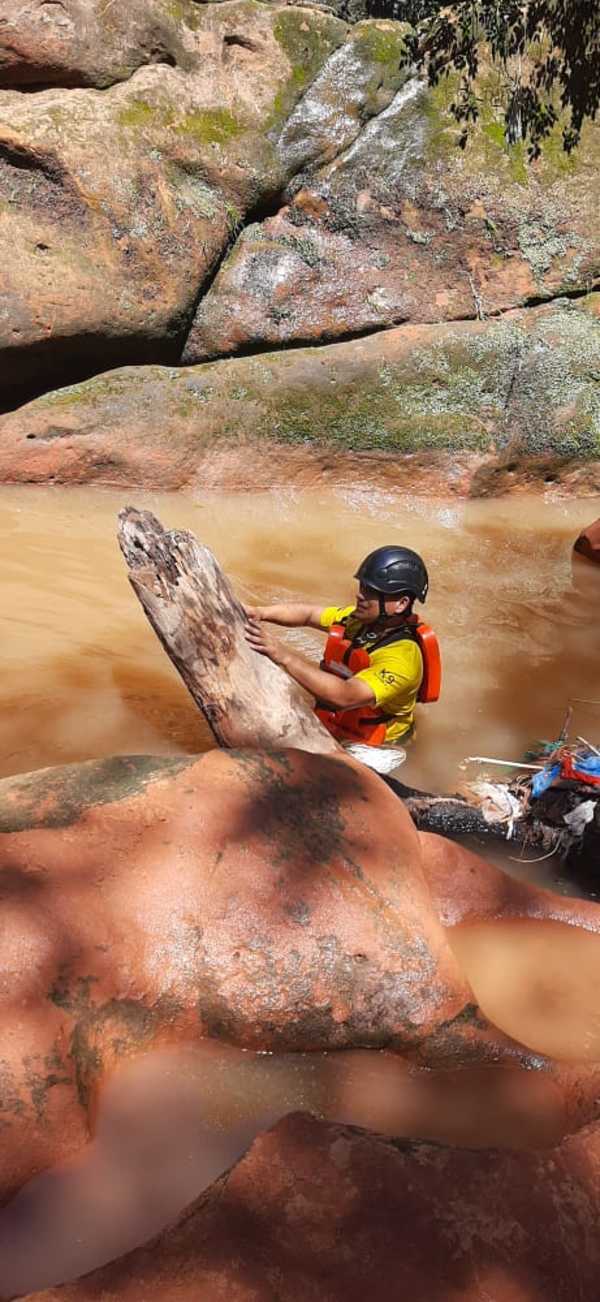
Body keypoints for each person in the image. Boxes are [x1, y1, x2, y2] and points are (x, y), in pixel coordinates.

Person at [245, 546, 435, 747]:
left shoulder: (402, 659)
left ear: (401, 604)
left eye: (371, 591)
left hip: (380, 745)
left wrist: (283, 656)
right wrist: (260, 612)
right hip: (342, 721)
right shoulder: (358, 620)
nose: (360, 596)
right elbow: (308, 614)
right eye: (362, 587)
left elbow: (344, 696)